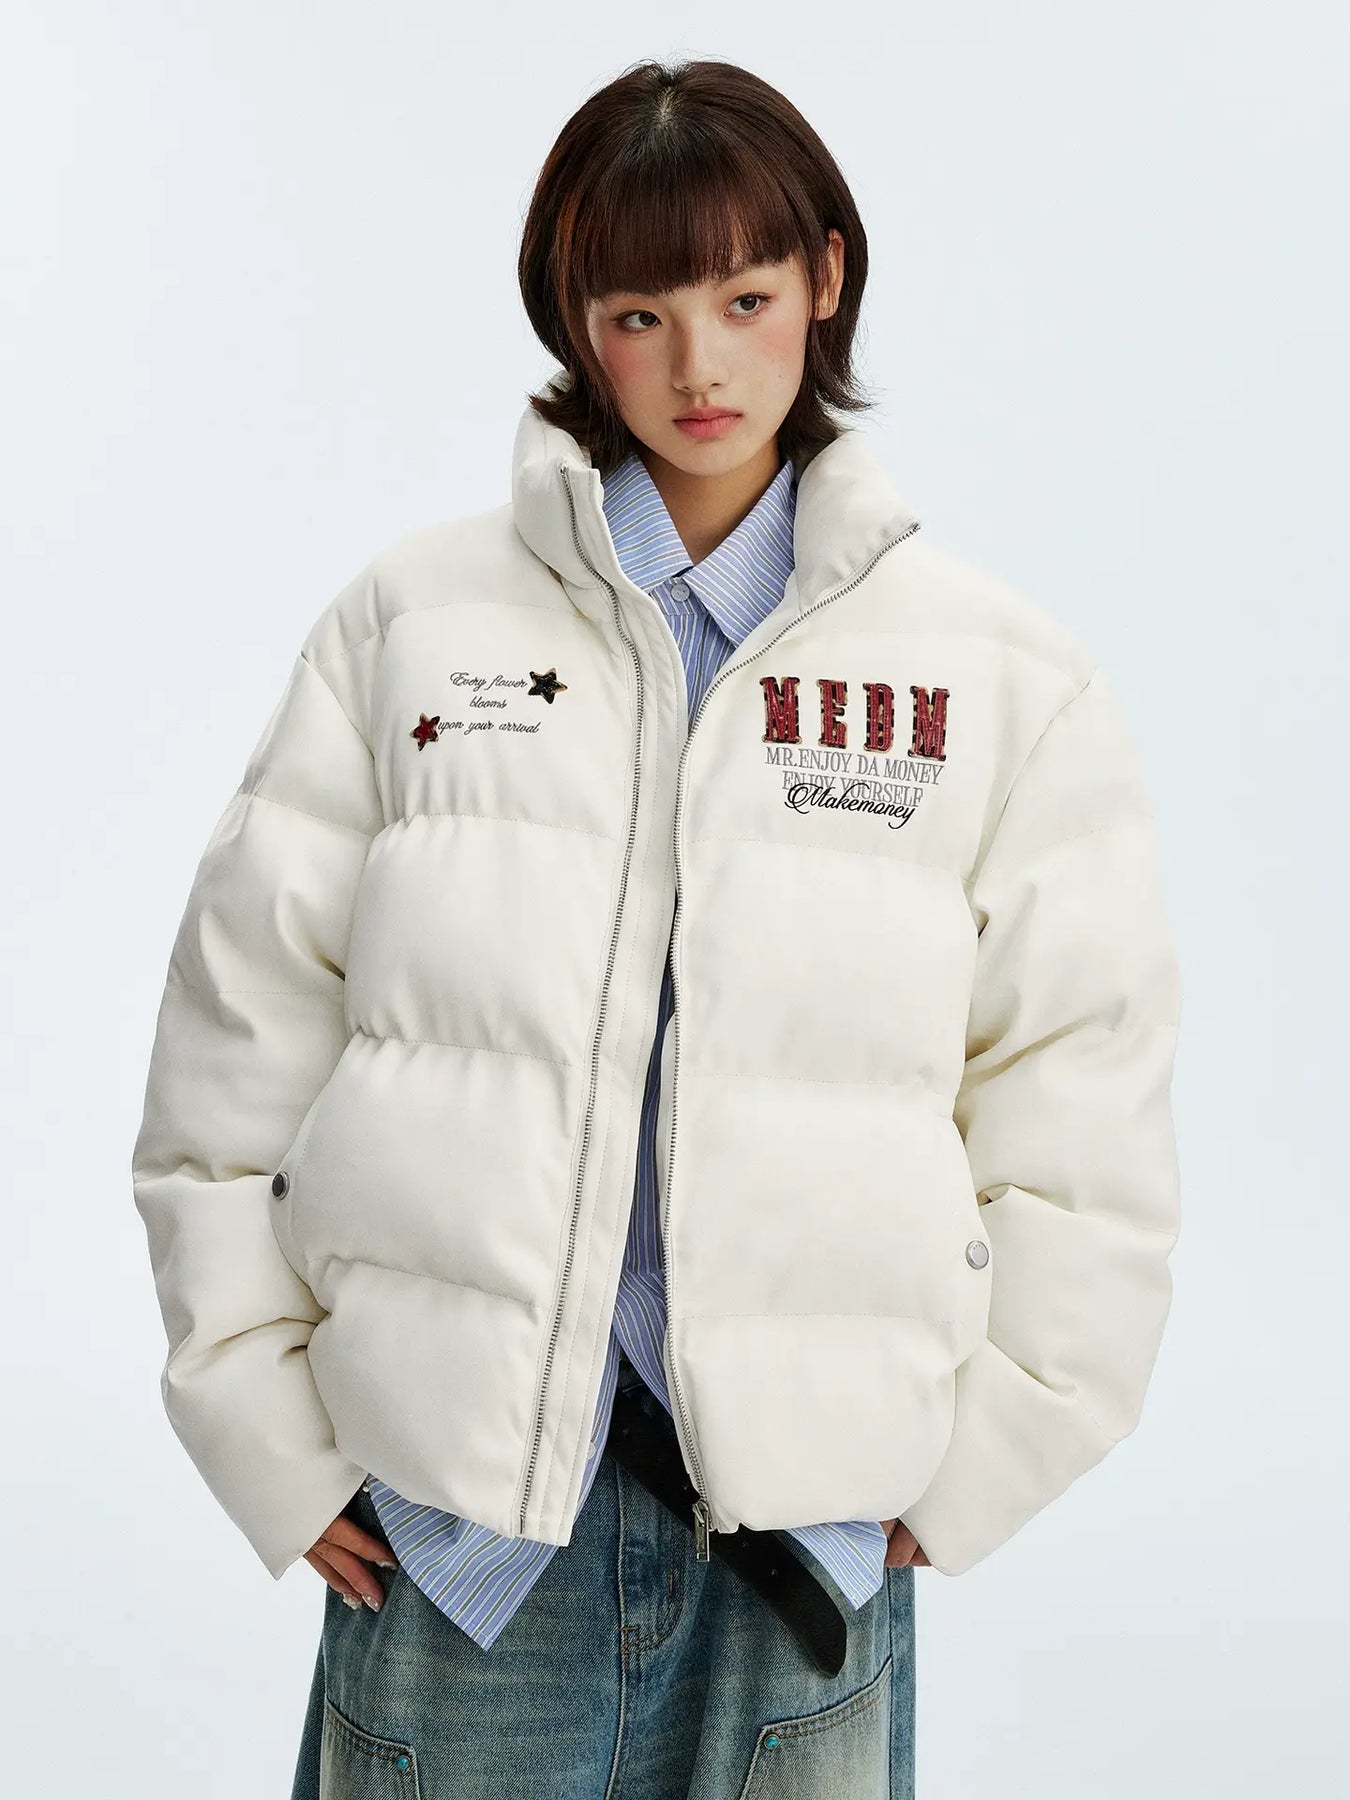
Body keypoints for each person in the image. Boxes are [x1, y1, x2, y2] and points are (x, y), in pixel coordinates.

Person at [130, 57, 1182, 1800]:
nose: (699, 367)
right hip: (455, 1537)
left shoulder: (995, 681)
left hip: (806, 1544)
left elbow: (1082, 1107)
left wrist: (981, 1458)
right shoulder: (408, 630)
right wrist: (265, 1430)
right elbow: (234, 1048)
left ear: (823, 280)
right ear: (578, 322)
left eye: (744, 300)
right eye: (640, 315)